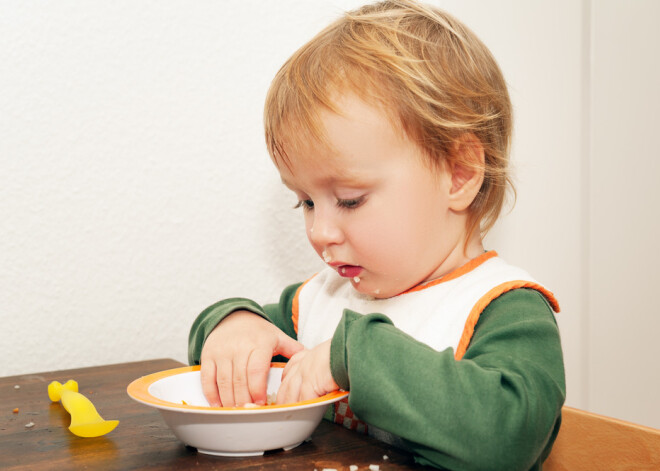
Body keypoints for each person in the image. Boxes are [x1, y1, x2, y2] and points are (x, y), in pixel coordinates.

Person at [188, 1, 565, 469]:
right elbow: (240, 337)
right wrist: (231, 325)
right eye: (305, 201)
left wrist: (356, 357)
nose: (320, 231)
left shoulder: (502, 309)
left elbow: (509, 439)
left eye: (348, 199)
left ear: (459, 174)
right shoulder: (324, 299)